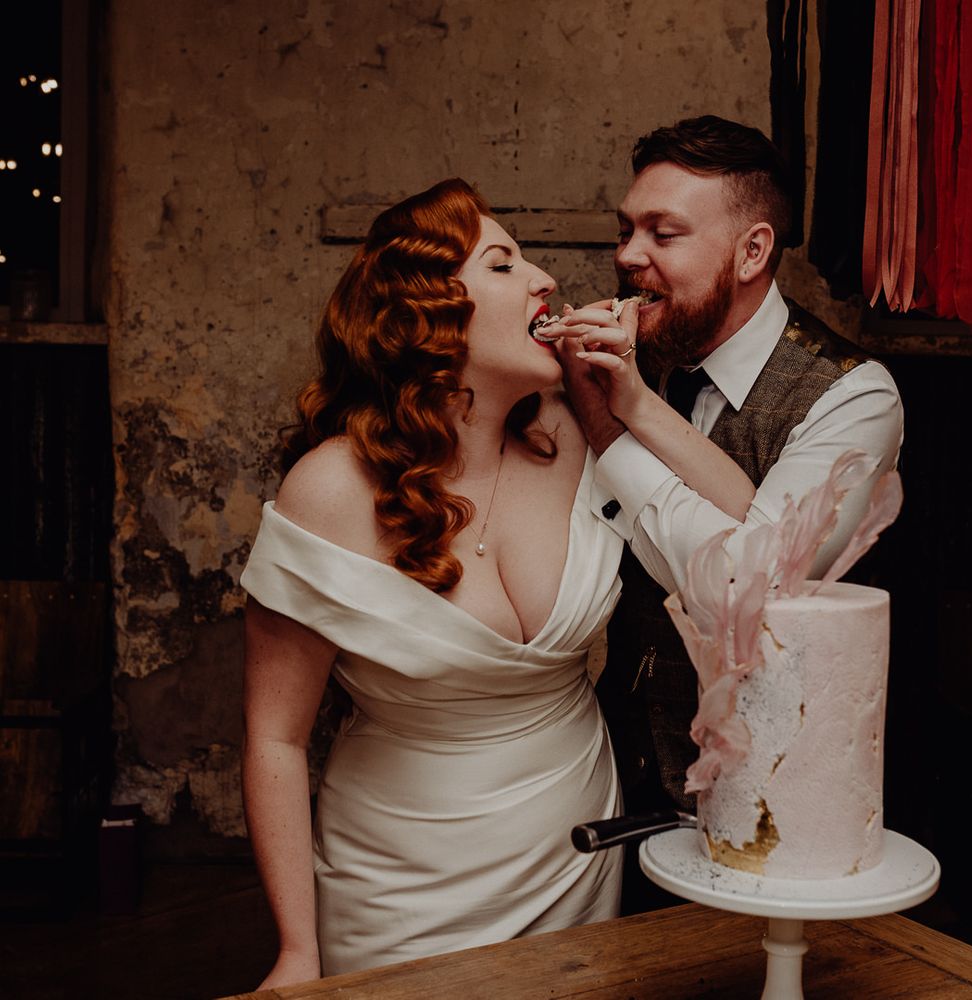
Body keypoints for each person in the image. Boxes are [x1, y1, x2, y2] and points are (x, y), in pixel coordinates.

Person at [239, 178, 754, 984]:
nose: (546, 280)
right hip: (397, 883)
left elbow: (750, 535)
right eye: (505, 263)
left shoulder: (574, 435)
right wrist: (297, 951)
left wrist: (634, 403)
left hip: (575, 863)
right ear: (428, 312)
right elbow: (276, 737)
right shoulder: (330, 488)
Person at [551, 115, 904, 913]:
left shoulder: (853, 396)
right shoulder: (646, 348)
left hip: (780, 806)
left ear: (752, 251)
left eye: (662, 233)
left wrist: (614, 425)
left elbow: (752, 583)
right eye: (627, 229)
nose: (627, 256)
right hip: (619, 779)